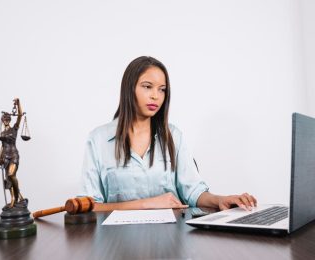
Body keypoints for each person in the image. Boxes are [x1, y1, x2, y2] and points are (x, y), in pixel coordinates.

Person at [80, 56, 257, 211]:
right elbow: (90, 206)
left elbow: (193, 192)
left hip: (170, 237)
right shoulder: (98, 139)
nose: (156, 96)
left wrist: (220, 200)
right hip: (117, 241)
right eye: (147, 87)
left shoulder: (173, 135)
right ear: (129, 88)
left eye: (162, 89)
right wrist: (146, 204)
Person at [0, 98, 25, 208]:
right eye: (4, 119)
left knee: (11, 175)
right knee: (8, 180)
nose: (6, 120)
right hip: (5, 157)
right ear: (2, 121)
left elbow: (20, 115)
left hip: (13, 155)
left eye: (7, 119)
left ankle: (16, 196)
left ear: (9, 120)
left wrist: (18, 104)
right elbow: (2, 146)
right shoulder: (2, 133)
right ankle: (14, 199)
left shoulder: (14, 129)